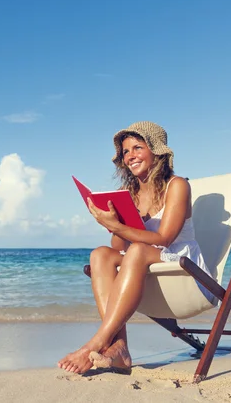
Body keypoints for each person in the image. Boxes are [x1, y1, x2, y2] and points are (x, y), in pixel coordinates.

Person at [57, 121, 212, 374]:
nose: (130, 156)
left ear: (156, 151)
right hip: (148, 271)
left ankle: (97, 342)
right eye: (126, 152)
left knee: (137, 250)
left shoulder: (178, 186)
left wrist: (118, 226)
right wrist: (112, 222)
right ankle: (119, 348)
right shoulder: (128, 193)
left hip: (184, 272)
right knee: (100, 254)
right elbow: (118, 245)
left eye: (137, 148)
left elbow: (164, 238)